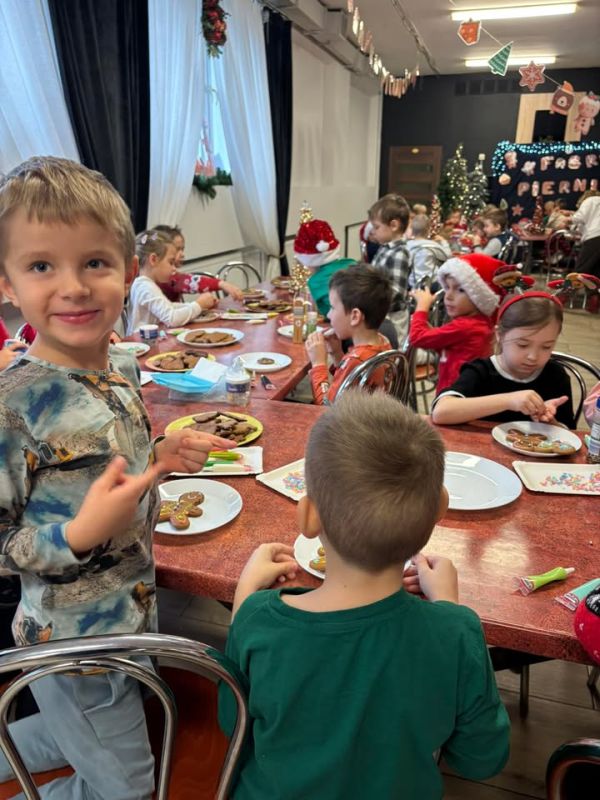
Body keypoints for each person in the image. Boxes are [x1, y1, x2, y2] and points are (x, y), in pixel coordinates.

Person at [0, 155, 233, 800]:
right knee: (128, 791)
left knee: (79, 734)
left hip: (132, 617)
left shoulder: (121, 367)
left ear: (129, 272)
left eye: (94, 262)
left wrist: (162, 452)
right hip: (73, 648)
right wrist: (76, 535)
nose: (74, 287)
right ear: (7, 283)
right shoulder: (13, 406)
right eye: (41, 266)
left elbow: (112, 465)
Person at [218, 391, 511, 799]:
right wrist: (448, 607)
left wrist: (244, 601)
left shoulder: (259, 620)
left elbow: (231, 720)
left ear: (308, 517)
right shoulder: (456, 631)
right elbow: (481, 758)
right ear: (439, 511)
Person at [431, 292, 576, 428]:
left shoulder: (556, 376)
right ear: (499, 335)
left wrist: (550, 422)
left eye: (546, 347)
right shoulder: (481, 371)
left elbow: (570, 433)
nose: (533, 356)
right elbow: (440, 413)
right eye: (522, 345)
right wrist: (509, 400)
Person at [409, 254, 504, 393]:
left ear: (479, 297)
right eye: (447, 287)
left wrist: (421, 308)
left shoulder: (465, 326)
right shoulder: (480, 322)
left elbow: (417, 337)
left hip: (453, 393)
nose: (448, 296)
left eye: (460, 290)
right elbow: (446, 347)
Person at [305, 265, 392, 405]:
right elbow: (350, 382)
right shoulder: (383, 342)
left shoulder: (356, 360)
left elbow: (326, 407)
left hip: (348, 419)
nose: (328, 315)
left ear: (355, 316)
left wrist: (318, 364)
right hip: (369, 415)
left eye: (332, 308)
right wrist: (336, 353)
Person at [126, 230, 239, 334]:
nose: (174, 268)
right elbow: (172, 319)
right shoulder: (145, 287)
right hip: (142, 345)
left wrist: (199, 306)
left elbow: (169, 307)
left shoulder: (144, 283)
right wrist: (198, 305)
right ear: (153, 259)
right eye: (171, 262)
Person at [152, 224, 243, 303]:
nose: (182, 254)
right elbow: (189, 281)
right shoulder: (166, 278)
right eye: (177, 249)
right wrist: (222, 284)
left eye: (182, 249)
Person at [293, 211, 355, 318]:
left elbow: (326, 315)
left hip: (345, 324)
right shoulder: (350, 263)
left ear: (308, 260)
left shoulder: (316, 281)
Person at [369, 193, 411, 344]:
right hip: (381, 313)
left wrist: (370, 303)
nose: (373, 231)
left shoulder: (399, 253)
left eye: (377, 227)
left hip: (392, 318)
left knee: (391, 349)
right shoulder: (385, 248)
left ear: (393, 225)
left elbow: (395, 293)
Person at [406, 214, 451, 288]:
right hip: (432, 284)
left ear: (412, 230)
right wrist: (443, 241)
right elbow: (447, 256)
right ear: (428, 230)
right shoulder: (432, 245)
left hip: (412, 283)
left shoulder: (408, 245)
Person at [572, 192, 600, 279]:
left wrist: (567, 219)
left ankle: (573, 288)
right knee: (596, 272)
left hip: (595, 237)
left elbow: (578, 217)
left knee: (581, 272)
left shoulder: (590, 200)